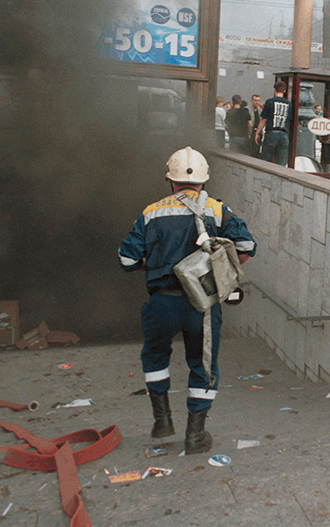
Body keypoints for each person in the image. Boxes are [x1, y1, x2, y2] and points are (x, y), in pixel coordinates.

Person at [119, 147, 256, 454]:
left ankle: (162, 420)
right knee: (203, 367)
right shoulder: (218, 210)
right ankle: (195, 435)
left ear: (171, 181)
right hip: (202, 306)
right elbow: (246, 246)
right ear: (203, 182)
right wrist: (220, 270)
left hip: (161, 303)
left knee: (154, 358)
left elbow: (126, 260)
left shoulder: (151, 212)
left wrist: (153, 264)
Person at [255, 80, 291, 165]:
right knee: (281, 162)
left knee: (266, 161)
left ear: (274, 89)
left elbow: (264, 119)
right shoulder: (289, 103)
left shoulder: (270, 101)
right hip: (284, 135)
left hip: (271, 133)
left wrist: (257, 132)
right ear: (284, 91)